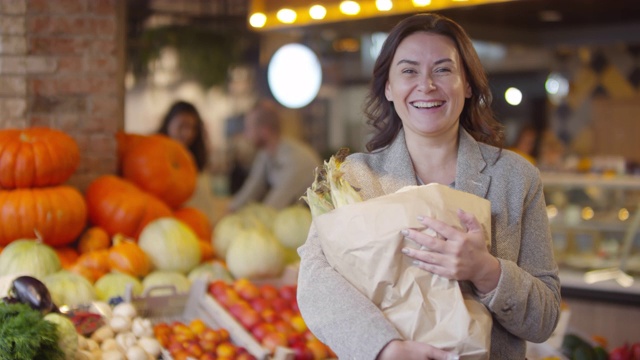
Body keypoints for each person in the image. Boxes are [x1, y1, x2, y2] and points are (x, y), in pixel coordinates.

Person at [297, 13, 561, 360]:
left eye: (443, 69)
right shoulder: (355, 178)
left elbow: (545, 319)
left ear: (467, 84)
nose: (426, 85)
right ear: (388, 87)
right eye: (408, 71)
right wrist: (384, 347)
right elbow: (315, 285)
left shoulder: (515, 178)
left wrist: (486, 271)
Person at [228, 99, 323, 211]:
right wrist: (230, 209)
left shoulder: (296, 161)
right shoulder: (265, 154)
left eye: (249, 128)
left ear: (264, 130)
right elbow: (251, 189)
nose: (245, 134)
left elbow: (273, 208)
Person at [158, 100, 217, 222]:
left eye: (193, 128)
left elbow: (205, 206)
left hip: (190, 223)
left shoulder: (195, 159)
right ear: (169, 123)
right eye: (182, 126)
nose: (188, 133)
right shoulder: (154, 151)